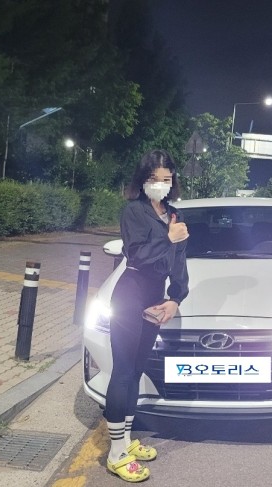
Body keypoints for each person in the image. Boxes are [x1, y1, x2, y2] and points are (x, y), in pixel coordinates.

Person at [104, 149, 189, 482]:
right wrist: (167, 238)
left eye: (166, 178)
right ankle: (115, 454)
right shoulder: (133, 211)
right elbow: (136, 254)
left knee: (137, 370)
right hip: (130, 293)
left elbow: (179, 260)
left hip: (155, 296)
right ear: (142, 180)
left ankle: (126, 441)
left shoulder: (173, 214)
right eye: (154, 178)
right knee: (123, 370)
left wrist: (175, 298)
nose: (161, 184)